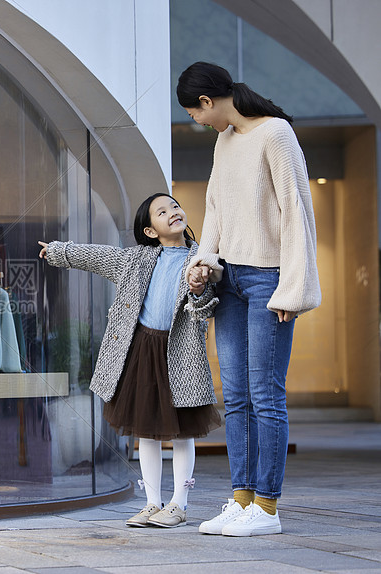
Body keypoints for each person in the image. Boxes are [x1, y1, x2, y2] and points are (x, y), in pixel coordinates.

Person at [177, 61, 321, 536]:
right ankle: (241, 499)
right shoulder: (225, 141)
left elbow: (297, 212)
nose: (194, 121)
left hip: (268, 280)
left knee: (265, 394)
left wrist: (293, 288)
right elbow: (215, 209)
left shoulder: (276, 135)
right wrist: (204, 260)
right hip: (230, 281)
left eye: (193, 113)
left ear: (207, 102)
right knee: (235, 395)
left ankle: (268, 507)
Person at [39, 193, 222, 528]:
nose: (173, 213)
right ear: (150, 230)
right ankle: (153, 502)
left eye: (176, 207)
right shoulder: (135, 259)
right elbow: (97, 256)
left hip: (180, 353)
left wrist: (198, 288)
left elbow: (207, 304)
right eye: (162, 211)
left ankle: (179, 504)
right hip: (141, 350)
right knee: (147, 431)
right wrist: (59, 251)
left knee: (182, 432)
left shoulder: (201, 257)